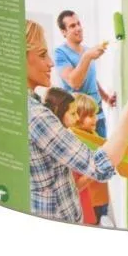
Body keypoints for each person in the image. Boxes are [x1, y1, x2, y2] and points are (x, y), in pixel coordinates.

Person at [25, 20, 128, 224]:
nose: (50, 63)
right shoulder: (37, 116)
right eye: (42, 55)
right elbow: (99, 167)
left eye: (79, 23)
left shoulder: (31, 104)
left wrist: (107, 97)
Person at [54, 10, 116, 137]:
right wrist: (87, 57)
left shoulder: (87, 50)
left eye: (78, 24)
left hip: (98, 114)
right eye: (72, 26)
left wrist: (106, 98)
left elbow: (91, 78)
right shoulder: (60, 53)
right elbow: (74, 82)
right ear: (63, 32)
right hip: (80, 118)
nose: (78, 28)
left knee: (103, 148)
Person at [42, 87, 95, 225]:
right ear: (58, 112)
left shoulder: (69, 136)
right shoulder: (61, 145)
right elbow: (75, 185)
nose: (76, 118)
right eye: (73, 113)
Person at [74, 93, 111, 224]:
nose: (95, 119)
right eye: (90, 116)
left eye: (95, 115)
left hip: (99, 195)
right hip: (90, 199)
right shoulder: (79, 139)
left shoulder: (91, 133)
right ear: (77, 117)